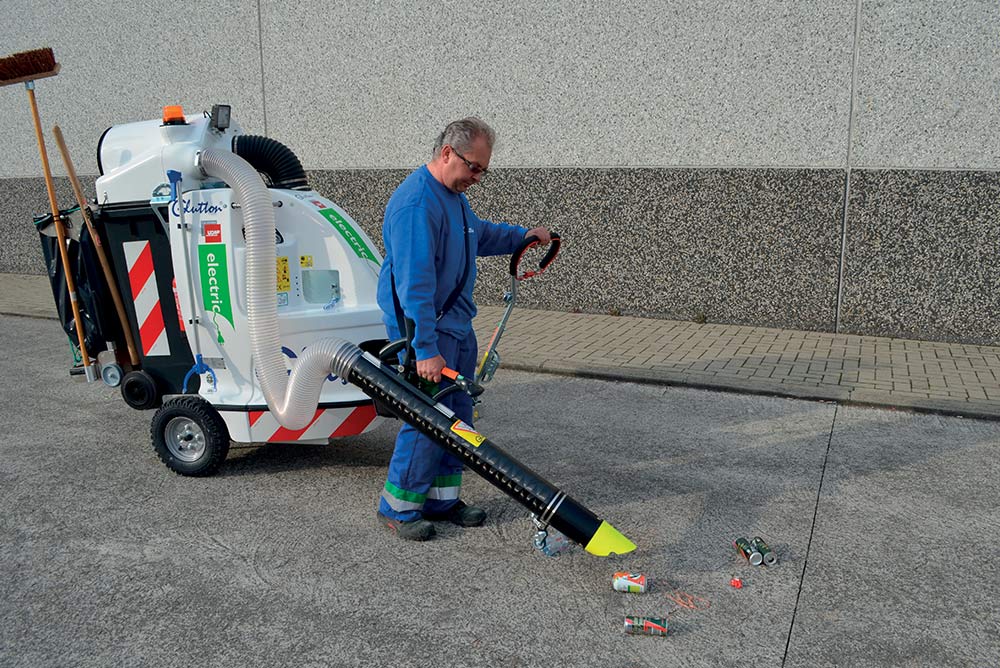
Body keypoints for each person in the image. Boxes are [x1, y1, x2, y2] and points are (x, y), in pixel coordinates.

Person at [375, 117, 551, 541]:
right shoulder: (417, 204)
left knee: (458, 418)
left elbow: (478, 235)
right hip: (425, 332)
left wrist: (521, 237)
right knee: (427, 419)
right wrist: (424, 348)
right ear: (447, 152)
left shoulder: (452, 199)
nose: (477, 178)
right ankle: (397, 507)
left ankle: (441, 499)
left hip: (453, 325)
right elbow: (414, 286)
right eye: (473, 168)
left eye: (483, 172)